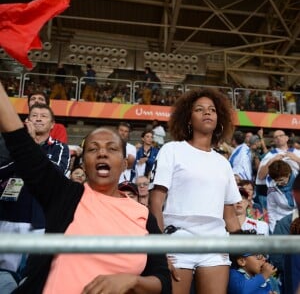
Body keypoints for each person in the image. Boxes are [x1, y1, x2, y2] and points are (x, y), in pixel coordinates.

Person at [0, 82, 171, 294]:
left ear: (124, 164)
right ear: (83, 162)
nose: (102, 153)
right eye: (93, 149)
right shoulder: (65, 195)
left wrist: (131, 281)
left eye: (111, 148)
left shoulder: (143, 215)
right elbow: (18, 139)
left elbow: (164, 281)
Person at [149, 88, 242, 294]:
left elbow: (230, 216)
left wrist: (248, 251)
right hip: (177, 241)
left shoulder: (223, 163)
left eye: (212, 110)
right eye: (199, 109)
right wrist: (160, 248)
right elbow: (155, 202)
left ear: (219, 118)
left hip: (215, 243)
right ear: (188, 119)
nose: (207, 112)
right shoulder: (171, 150)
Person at [0, 103, 70, 288]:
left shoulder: (60, 148)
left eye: (44, 116)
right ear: (27, 120)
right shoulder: (9, 145)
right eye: (34, 115)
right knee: (5, 276)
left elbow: (54, 173)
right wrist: (23, 148)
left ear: (52, 124)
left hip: (41, 221)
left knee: (33, 277)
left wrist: (28, 149)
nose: (38, 118)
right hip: (9, 218)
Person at [256, 129, 300, 209]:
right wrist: (272, 161)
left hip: (296, 192)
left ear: (287, 138)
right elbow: (260, 176)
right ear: (274, 141)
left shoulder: (297, 152)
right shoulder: (269, 155)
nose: (278, 138)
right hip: (277, 195)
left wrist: (297, 159)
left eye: (281, 136)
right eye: (276, 137)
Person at [267, 160, 297, 233]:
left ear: (288, 174)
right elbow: (271, 210)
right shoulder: (272, 188)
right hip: (282, 221)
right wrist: (273, 229)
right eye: (276, 180)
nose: (279, 183)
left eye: (281, 180)